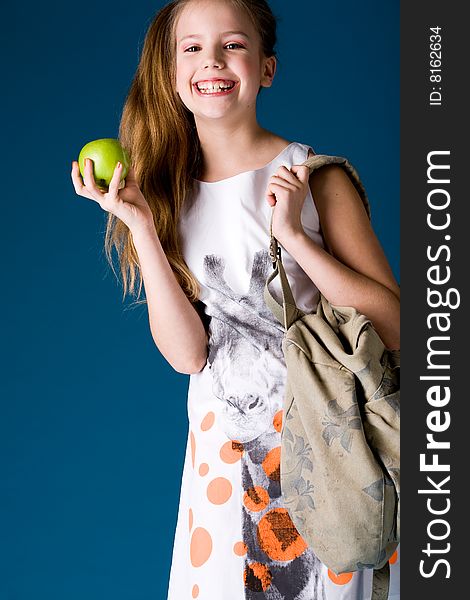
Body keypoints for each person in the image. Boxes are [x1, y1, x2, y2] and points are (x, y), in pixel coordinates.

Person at [71, 0, 400, 597]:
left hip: (328, 457)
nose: (213, 61)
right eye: (192, 47)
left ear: (267, 68)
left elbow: (398, 328)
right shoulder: (162, 197)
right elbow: (188, 356)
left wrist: (296, 237)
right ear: (171, 73)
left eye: (234, 44)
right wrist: (141, 225)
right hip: (222, 469)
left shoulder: (313, 177)